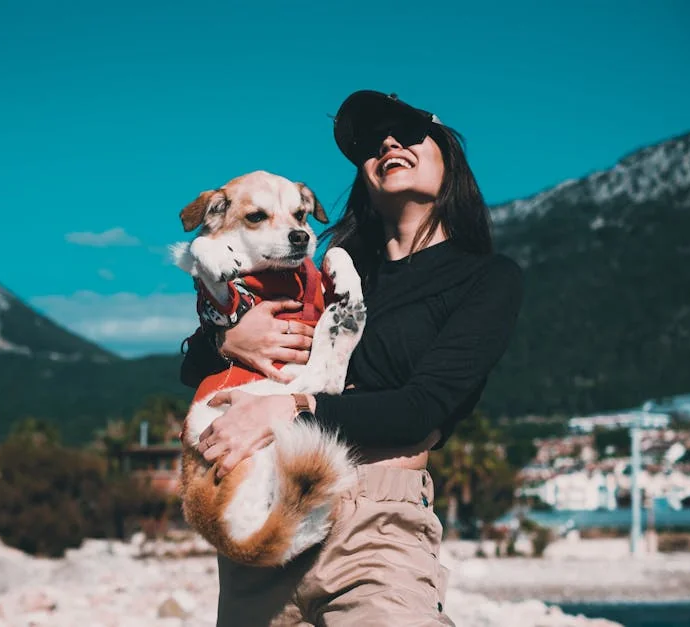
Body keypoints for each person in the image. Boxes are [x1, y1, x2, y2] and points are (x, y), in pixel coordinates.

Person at [179, 90, 523, 626]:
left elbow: (423, 407)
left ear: (448, 153)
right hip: (265, 516)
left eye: (407, 130)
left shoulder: (485, 278)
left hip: (376, 522)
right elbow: (197, 369)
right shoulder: (325, 268)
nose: (388, 142)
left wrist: (292, 407)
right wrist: (229, 339)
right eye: (368, 141)